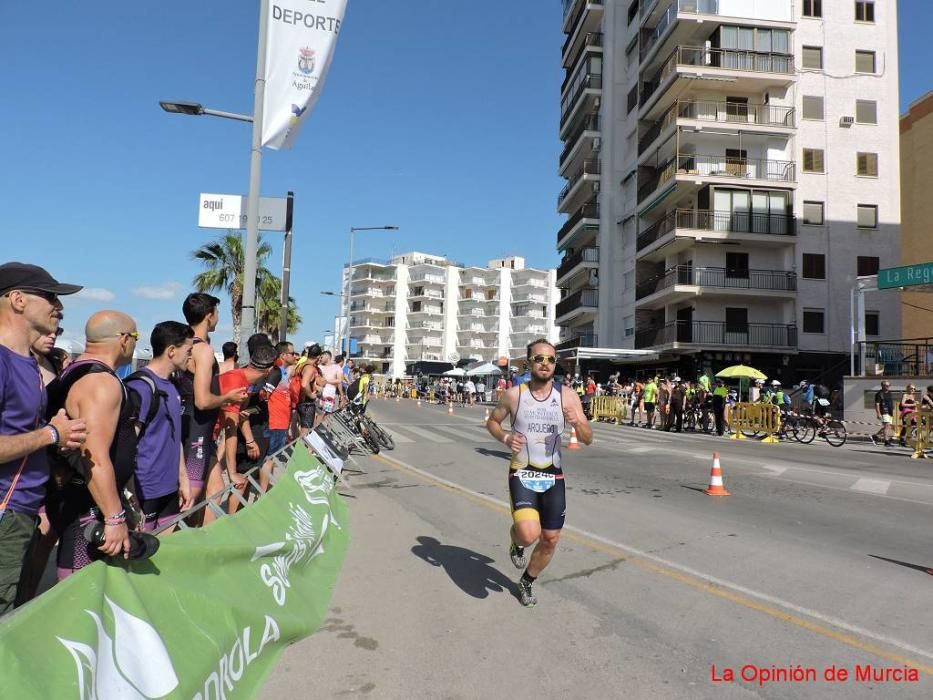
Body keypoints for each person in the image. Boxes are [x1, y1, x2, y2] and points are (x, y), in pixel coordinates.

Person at [0, 263, 86, 613]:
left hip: (22, 511)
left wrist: (55, 437)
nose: (59, 306)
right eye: (50, 296)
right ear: (18, 300)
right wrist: (52, 433)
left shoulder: (31, 364)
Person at [485, 338, 592, 608]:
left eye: (551, 360)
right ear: (529, 362)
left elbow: (588, 438)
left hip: (553, 475)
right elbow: (493, 422)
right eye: (539, 359)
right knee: (528, 534)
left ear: (556, 364)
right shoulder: (514, 395)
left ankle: (527, 581)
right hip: (522, 473)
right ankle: (516, 542)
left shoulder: (567, 395)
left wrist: (578, 421)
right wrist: (506, 438)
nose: (545, 364)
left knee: (550, 538)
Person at [45, 311, 141, 579]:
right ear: (124, 340)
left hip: (79, 498)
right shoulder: (100, 383)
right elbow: (94, 457)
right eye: (136, 336)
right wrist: (115, 517)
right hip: (85, 506)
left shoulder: (74, 372)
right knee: (79, 592)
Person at [179, 293, 247, 519]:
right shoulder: (203, 350)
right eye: (217, 313)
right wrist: (229, 398)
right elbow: (202, 400)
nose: (218, 318)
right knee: (189, 500)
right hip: (197, 433)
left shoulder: (183, 344)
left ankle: (202, 542)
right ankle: (189, 546)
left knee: (215, 490)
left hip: (196, 431)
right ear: (209, 316)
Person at [125, 322, 194, 532]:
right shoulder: (141, 387)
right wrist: (130, 496)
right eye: (188, 351)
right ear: (171, 351)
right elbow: (126, 446)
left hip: (169, 488)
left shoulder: (173, 387)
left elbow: (175, 437)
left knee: (164, 552)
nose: (190, 357)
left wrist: (184, 479)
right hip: (144, 491)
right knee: (139, 556)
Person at [217, 344, 277, 513]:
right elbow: (230, 428)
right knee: (214, 490)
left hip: (208, 435)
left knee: (214, 487)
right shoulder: (238, 382)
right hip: (201, 437)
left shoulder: (242, 378)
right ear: (269, 370)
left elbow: (237, 417)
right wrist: (232, 471)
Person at [871, 380, 894, 447]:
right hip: (883, 411)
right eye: (886, 386)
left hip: (890, 412)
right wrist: (878, 413)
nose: (888, 387)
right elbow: (877, 404)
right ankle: (886, 442)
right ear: (882, 386)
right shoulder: (879, 394)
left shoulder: (889, 393)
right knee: (886, 426)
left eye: (889, 385)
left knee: (887, 426)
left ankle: (875, 436)